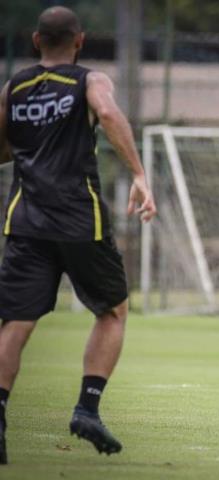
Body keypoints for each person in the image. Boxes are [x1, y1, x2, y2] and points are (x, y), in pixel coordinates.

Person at [0, 6, 156, 463]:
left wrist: (32, 148)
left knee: (16, 322)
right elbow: (107, 113)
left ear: (35, 40)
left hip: (25, 221)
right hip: (78, 219)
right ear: (80, 40)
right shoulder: (89, 81)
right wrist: (139, 175)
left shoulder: (15, 87)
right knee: (112, 311)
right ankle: (87, 407)